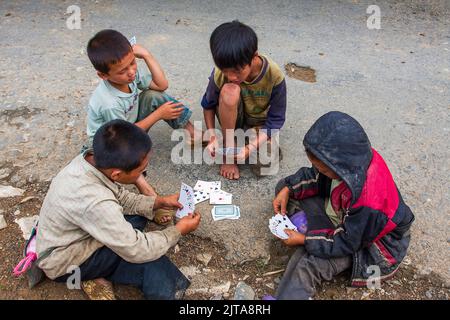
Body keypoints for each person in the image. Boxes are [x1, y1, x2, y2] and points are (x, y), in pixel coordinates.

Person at [36, 119, 201, 300]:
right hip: (65, 261)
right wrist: (178, 231)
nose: (143, 174)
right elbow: (138, 248)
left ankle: (103, 268)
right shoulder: (95, 201)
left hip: (82, 229)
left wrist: (158, 202)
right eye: (141, 171)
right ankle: (91, 276)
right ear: (116, 174)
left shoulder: (89, 159)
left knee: (139, 214)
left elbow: (119, 197)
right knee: (153, 265)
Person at [271, 111, 415, 300]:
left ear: (340, 166)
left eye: (323, 169)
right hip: (344, 216)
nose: (320, 171)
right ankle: (317, 233)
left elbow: (347, 242)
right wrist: (289, 188)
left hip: (366, 246)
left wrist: (305, 240)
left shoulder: (368, 201)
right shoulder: (352, 162)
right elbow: (316, 176)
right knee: (284, 188)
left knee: (308, 263)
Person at [85, 29, 202, 217]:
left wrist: (147, 55)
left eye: (133, 63)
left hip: (129, 126)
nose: (131, 72)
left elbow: (161, 85)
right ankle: (148, 195)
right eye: (123, 71)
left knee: (155, 96)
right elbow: (122, 136)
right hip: (108, 142)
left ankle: (193, 133)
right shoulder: (108, 102)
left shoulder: (130, 76)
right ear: (103, 75)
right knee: (130, 164)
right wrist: (158, 115)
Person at [201, 21, 287, 180]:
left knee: (265, 165)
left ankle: (244, 142)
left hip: (258, 125)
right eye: (226, 71)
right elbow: (208, 105)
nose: (231, 77)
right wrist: (212, 135)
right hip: (232, 121)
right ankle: (229, 145)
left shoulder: (274, 76)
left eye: (237, 71)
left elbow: (276, 120)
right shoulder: (220, 73)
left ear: (254, 57)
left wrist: (251, 147)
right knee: (230, 90)